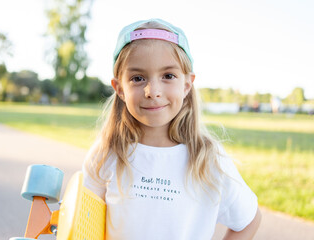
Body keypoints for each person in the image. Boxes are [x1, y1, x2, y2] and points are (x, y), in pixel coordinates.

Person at [83, 18, 261, 240]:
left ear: (186, 85)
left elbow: (249, 219)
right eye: (138, 78)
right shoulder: (107, 153)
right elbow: (84, 220)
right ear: (119, 88)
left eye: (168, 76)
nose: (153, 91)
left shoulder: (209, 159)